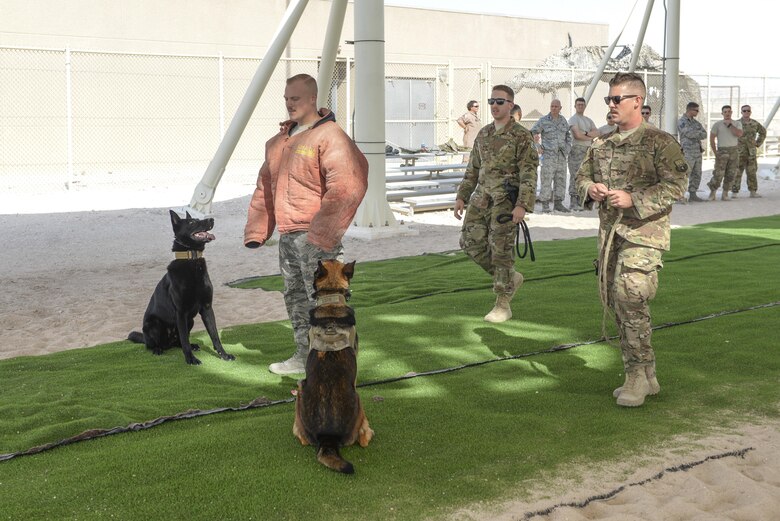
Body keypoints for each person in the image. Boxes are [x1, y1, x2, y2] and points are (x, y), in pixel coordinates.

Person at [575, 72, 689, 407]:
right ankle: (647, 374)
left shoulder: (659, 142)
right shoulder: (602, 143)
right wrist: (589, 189)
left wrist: (634, 199)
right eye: (608, 100)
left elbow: (677, 186)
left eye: (616, 99)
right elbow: (582, 175)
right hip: (610, 237)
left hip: (644, 237)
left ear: (636, 101)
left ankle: (636, 376)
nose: (610, 105)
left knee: (630, 300)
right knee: (617, 303)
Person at [244, 73, 368, 375]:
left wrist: (323, 233)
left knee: (327, 300)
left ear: (312, 99)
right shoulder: (278, 143)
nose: (289, 104)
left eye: (295, 98)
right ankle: (304, 356)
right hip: (289, 236)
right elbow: (266, 186)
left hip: (317, 238)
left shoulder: (330, 136)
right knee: (296, 296)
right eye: (286, 98)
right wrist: (258, 230)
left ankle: (338, 360)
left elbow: (349, 184)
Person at [454, 85, 538, 323]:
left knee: (501, 251)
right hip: (480, 199)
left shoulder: (522, 136)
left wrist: (522, 205)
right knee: (469, 242)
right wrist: (462, 195)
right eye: (492, 101)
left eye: (500, 102)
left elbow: (529, 173)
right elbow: (473, 169)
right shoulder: (484, 134)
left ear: (510, 105)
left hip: (506, 202)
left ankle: (502, 303)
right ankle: (510, 278)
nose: (494, 105)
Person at [531, 99, 571, 213]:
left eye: (556, 106)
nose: (554, 108)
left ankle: (558, 203)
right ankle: (545, 205)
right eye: (552, 106)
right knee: (546, 180)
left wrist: (568, 148)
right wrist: (537, 146)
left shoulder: (563, 121)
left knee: (561, 180)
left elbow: (568, 135)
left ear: (560, 108)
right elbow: (533, 132)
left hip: (561, 156)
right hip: (548, 156)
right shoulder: (543, 121)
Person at [567, 97, 598, 211]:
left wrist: (585, 133)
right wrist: (589, 135)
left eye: (582, 105)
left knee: (586, 175)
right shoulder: (573, 119)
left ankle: (582, 200)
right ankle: (573, 201)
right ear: (575, 106)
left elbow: (597, 132)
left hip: (587, 150)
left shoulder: (588, 120)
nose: (580, 106)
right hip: (576, 150)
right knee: (575, 175)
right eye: (578, 104)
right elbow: (577, 136)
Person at [707, 105, 744, 201]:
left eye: (729, 111)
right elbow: (712, 138)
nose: (727, 113)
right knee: (718, 173)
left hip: (734, 151)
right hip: (722, 150)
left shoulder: (737, 123)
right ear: (722, 113)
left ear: (731, 112)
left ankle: (725, 193)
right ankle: (713, 193)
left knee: (731, 173)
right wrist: (715, 152)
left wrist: (730, 125)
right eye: (725, 112)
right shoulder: (717, 124)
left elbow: (739, 134)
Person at [732, 104, 767, 198]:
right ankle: (734, 192)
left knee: (752, 172)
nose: (746, 112)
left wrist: (758, 143)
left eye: (748, 110)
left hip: (751, 152)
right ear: (741, 112)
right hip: (739, 152)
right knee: (737, 172)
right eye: (744, 111)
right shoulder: (736, 123)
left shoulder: (755, 123)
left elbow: (763, 132)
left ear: (750, 112)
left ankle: (753, 191)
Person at [677, 102, 708, 202]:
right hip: (687, 152)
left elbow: (704, 134)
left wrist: (695, 133)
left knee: (697, 173)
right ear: (690, 110)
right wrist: (697, 133)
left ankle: (693, 194)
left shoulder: (696, 123)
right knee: (685, 174)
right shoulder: (682, 121)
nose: (698, 112)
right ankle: (680, 195)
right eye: (696, 110)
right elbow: (688, 133)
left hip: (697, 152)